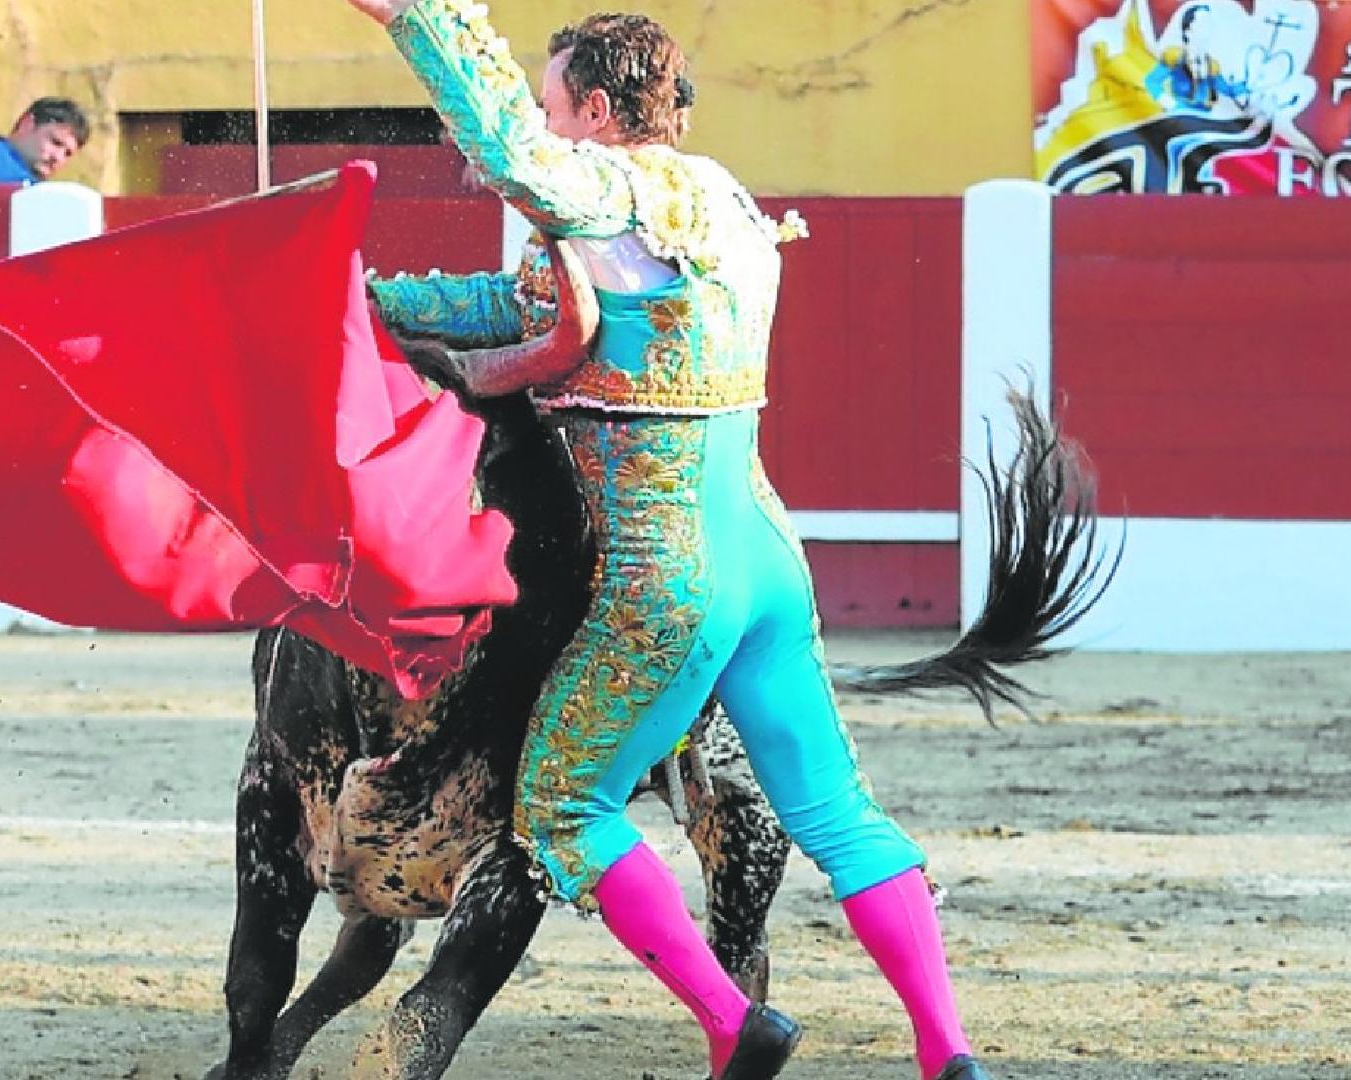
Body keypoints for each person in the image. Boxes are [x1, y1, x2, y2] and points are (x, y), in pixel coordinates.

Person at [354, 2, 991, 1078]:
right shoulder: (725, 199)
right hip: (768, 561)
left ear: (598, 111)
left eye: (557, 105)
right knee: (838, 813)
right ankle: (948, 1052)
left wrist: (421, 17)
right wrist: (367, 297)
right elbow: (508, 304)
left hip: (666, 580)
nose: (544, 126)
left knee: (561, 807)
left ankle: (735, 1024)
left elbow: (510, 159)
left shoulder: (612, 189)